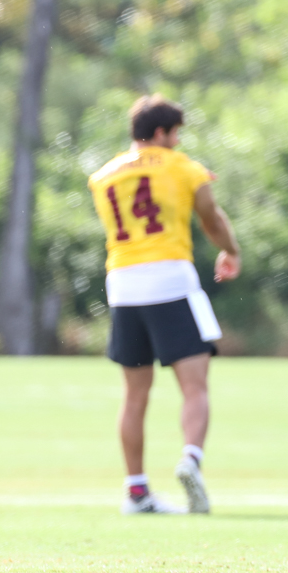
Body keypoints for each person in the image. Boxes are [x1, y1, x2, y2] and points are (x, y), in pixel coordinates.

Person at [88, 94, 241, 515]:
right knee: (194, 386)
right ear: (161, 132)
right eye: (175, 133)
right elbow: (210, 218)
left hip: (122, 284)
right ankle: (190, 458)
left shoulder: (103, 175)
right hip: (171, 279)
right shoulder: (184, 167)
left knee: (134, 395)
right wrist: (230, 251)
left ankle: (136, 492)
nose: (177, 141)